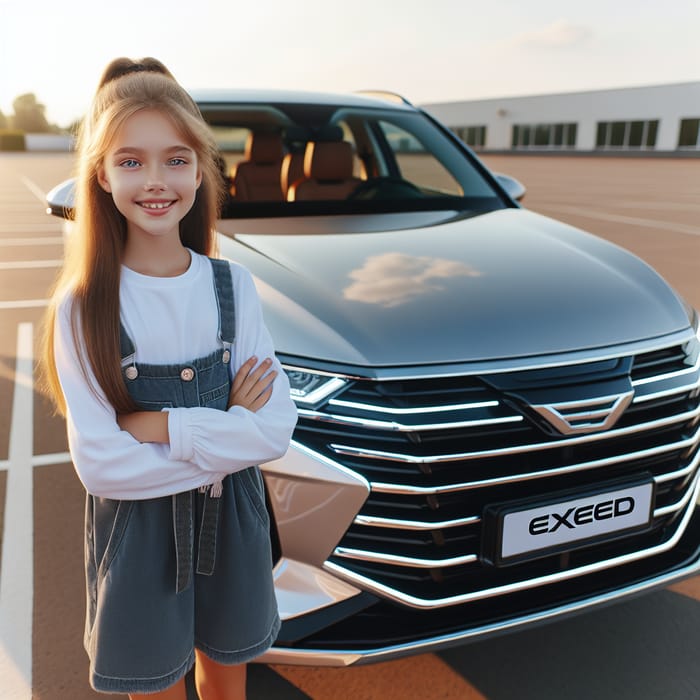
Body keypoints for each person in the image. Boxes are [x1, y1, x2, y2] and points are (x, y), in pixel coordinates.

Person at [41, 57, 298, 699]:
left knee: (226, 684)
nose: (156, 181)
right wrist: (224, 431)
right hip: (136, 535)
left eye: (176, 159)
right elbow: (102, 466)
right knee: (151, 688)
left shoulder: (232, 285)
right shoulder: (83, 307)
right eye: (130, 161)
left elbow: (276, 429)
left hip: (232, 528)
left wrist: (155, 426)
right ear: (99, 174)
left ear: (201, 169)